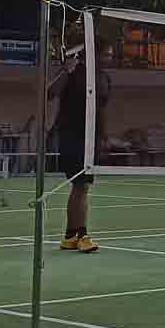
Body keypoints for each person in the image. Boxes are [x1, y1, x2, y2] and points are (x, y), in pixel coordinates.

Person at [49, 34, 112, 253]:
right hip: (71, 135)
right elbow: (50, 93)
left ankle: (69, 236)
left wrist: (103, 139)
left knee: (80, 187)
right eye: (106, 54)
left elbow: (101, 111)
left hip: (91, 138)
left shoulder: (104, 78)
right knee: (81, 187)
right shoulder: (73, 71)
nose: (110, 57)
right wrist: (66, 69)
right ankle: (83, 235)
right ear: (94, 54)